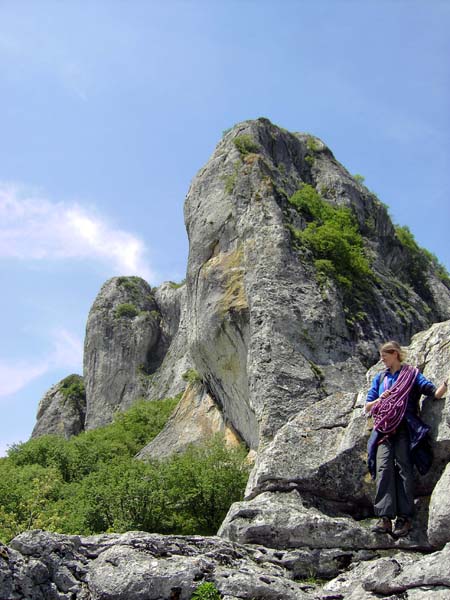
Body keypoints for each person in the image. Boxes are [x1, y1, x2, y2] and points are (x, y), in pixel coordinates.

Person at [365, 341, 448, 537]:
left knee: (404, 469)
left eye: (384, 356)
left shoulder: (411, 375)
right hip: (384, 429)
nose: (382, 359)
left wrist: (445, 386)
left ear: (394, 354)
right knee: (383, 467)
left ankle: (404, 518)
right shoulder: (380, 378)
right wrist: (380, 399)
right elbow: (368, 406)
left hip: (405, 428)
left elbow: (431, 391)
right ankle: (385, 518)